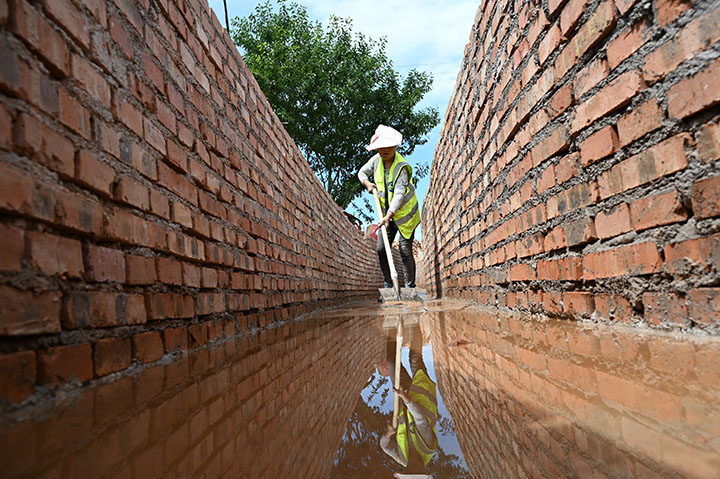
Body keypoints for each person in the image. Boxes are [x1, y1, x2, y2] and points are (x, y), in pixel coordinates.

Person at [358, 125, 421, 289]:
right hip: (387, 214)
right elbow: (362, 173)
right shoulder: (376, 161)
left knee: (405, 250)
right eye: (381, 147)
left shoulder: (402, 167)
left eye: (389, 146)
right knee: (381, 248)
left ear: (395, 146)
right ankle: (388, 284)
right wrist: (368, 184)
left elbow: (399, 194)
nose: (385, 149)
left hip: (405, 214)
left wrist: (389, 216)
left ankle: (410, 287)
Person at [379, 324, 438, 477]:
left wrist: (388, 434)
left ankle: (392, 326)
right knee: (414, 358)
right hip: (419, 394)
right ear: (423, 470)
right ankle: (414, 323)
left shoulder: (402, 458)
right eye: (416, 471)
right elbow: (419, 419)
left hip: (404, 398)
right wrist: (405, 397)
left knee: (391, 363)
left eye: (409, 470)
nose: (412, 467)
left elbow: (384, 447)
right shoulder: (428, 447)